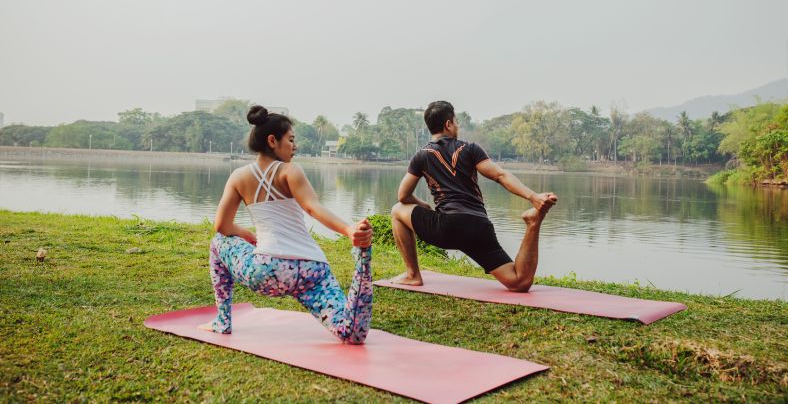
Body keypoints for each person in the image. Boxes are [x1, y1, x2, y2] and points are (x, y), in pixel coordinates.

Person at [198, 105, 373, 344]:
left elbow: (222, 226)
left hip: (268, 270)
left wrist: (245, 233)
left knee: (218, 243)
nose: (295, 146)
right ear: (273, 140)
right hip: (312, 270)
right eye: (290, 140)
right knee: (349, 333)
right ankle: (362, 264)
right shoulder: (290, 171)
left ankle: (222, 320)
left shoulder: (239, 177)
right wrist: (348, 230)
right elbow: (313, 208)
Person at [391, 101, 558, 292]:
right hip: (477, 227)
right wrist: (533, 196)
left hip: (445, 228)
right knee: (520, 283)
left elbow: (403, 195)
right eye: (456, 121)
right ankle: (533, 223)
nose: (457, 126)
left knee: (397, 210)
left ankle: (412, 275)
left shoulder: (421, 156)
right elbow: (500, 176)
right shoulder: (470, 149)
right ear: (448, 124)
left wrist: (424, 207)